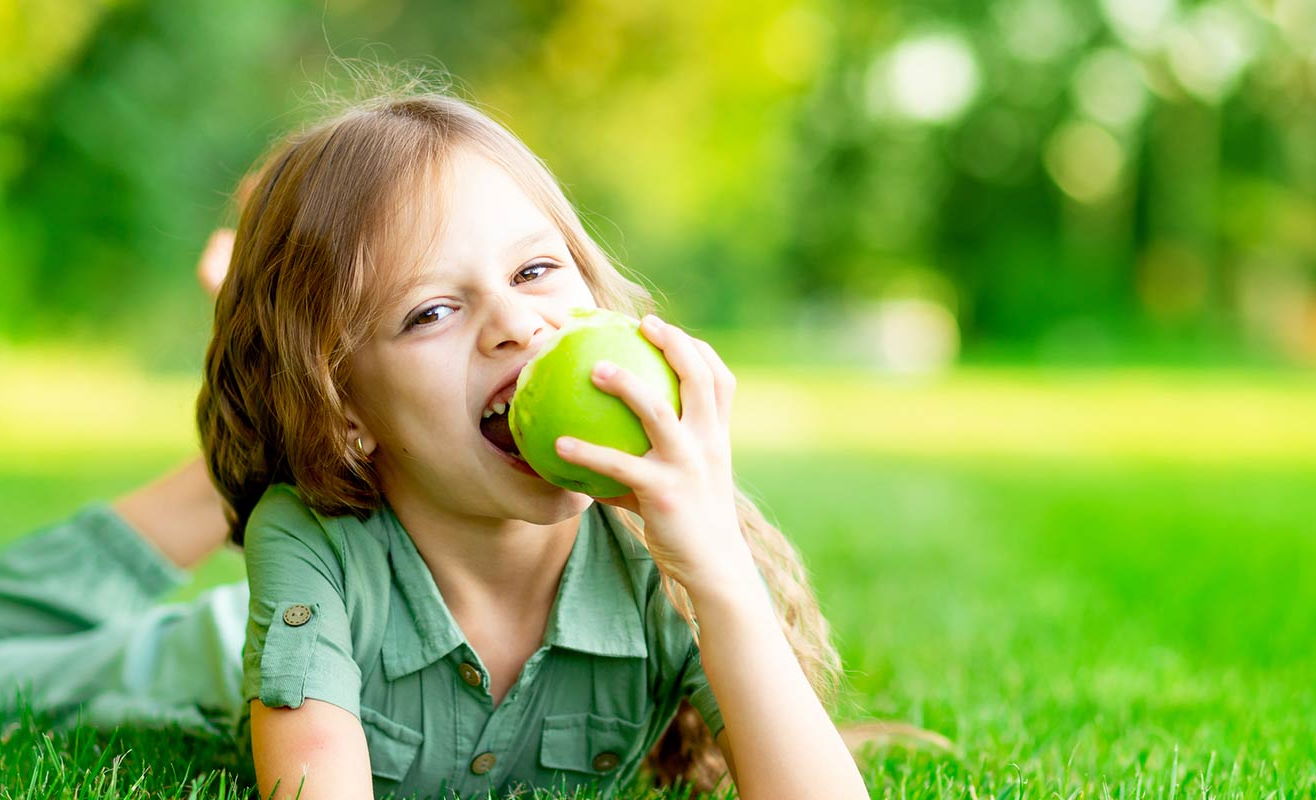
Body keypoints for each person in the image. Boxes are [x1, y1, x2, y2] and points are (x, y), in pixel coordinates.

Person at [0, 91, 869, 799]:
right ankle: (275, 383)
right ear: (349, 405)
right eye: (431, 312)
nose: (515, 325)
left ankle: (278, 340)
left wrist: (717, 563)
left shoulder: (662, 559)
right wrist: (298, 405)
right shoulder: (309, 544)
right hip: (221, 653)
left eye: (535, 272)